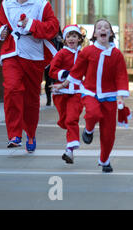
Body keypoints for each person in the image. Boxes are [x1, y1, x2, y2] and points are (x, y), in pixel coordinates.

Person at [0, 0, 59, 152]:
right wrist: (1, 31)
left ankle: (31, 133)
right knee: (12, 89)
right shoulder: (7, 3)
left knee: (30, 99)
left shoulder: (41, 5)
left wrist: (31, 24)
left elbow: (53, 27)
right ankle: (14, 134)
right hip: (11, 53)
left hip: (33, 55)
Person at [53, 19, 130, 173]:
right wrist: (63, 84)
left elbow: (121, 76)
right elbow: (76, 72)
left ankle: (104, 160)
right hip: (90, 93)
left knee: (109, 134)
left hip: (109, 97)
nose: (103, 29)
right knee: (93, 113)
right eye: (99, 27)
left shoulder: (117, 55)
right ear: (95, 33)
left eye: (106, 27)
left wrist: (121, 96)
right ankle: (88, 130)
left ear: (110, 33)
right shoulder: (88, 52)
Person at [49, 25, 84, 164]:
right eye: (69, 36)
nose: (71, 39)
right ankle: (67, 128)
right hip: (60, 92)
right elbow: (52, 71)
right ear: (64, 39)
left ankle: (70, 149)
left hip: (76, 93)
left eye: (74, 36)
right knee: (64, 121)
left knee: (71, 119)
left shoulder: (83, 55)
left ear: (79, 39)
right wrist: (64, 74)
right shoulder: (61, 54)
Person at [44, 29, 64, 106]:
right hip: (48, 62)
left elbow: (64, 46)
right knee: (48, 81)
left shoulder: (60, 37)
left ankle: (56, 98)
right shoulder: (47, 37)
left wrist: (61, 40)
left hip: (58, 63)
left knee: (56, 80)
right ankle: (48, 99)